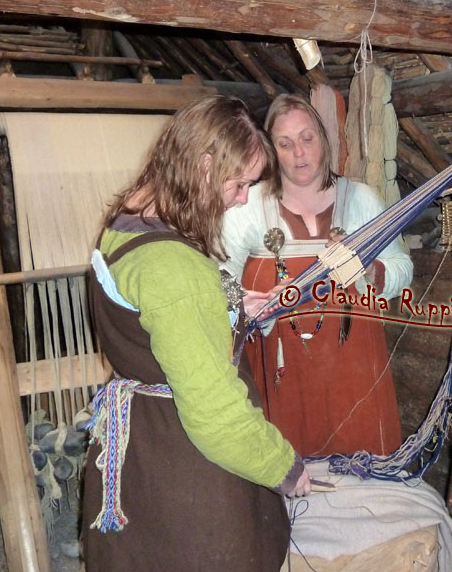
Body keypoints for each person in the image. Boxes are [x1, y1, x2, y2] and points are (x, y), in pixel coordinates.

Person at [82, 95, 310, 572]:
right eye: (240, 183)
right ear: (205, 167)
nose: (244, 197)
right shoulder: (174, 268)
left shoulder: (129, 222)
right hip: (186, 472)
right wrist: (283, 469)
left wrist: (227, 305)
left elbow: (152, 312)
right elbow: (215, 414)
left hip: (145, 448)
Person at [220, 93, 413, 457]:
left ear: (322, 139)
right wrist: (251, 303)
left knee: (363, 474)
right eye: (285, 143)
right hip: (282, 377)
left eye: (307, 139)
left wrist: (369, 268)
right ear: (271, 149)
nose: (299, 153)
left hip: (355, 374)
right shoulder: (246, 207)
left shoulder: (362, 200)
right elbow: (218, 280)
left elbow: (403, 268)